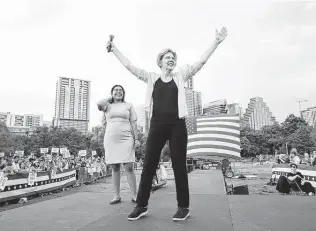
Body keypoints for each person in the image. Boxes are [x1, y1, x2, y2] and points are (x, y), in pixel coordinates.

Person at [106, 27, 227, 221]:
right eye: (167, 57)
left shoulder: (181, 76)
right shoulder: (151, 78)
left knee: (179, 166)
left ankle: (183, 207)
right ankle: (142, 205)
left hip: (177, 125)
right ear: (160, 62)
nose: (171, 60)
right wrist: (114, 49)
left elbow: (201, 62)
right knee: (148, 165)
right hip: (157, 125)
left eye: (173, 58)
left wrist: (216, 42)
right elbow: (130, 66)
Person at [97, 85, 140, 204]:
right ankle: (117, 196)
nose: (118, 92)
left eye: (120, 90)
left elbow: (133, 123)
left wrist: (136, 139)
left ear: (124, 93)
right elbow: (99, 104)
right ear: (111, 93)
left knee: (129, 166)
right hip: (111, 138)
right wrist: (111, 97)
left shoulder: (128, 105)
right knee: (115, 167)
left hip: (126, 138)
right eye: (116, 90)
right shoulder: (107, 105)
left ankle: (134, 195)